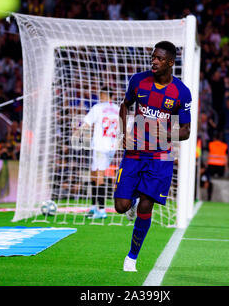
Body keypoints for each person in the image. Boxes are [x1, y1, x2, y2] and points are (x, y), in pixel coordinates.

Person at [114, 41, 192, 272]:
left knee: (146, 207)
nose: (154, 61)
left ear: (170, 62)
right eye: (153, 57)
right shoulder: (138, 81)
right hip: (134, 151)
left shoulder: (182, 92)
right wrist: (123, 133)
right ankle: (132, 198)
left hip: (161, 156)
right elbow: (124, 105)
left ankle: (132, 258)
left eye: (159, 58)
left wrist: (165, 132)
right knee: (121, 206)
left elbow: (186, 131)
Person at [74, 86, 120, 219]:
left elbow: (87, 123)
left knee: (99, 175)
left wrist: (78, 132)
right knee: (94, 173)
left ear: (104, 95)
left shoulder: (98, 108)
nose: (100, 97)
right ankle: (94, 206)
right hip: (111, 146)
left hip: (100, 145)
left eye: (101, 95)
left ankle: (101, 209)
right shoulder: (118, 109)